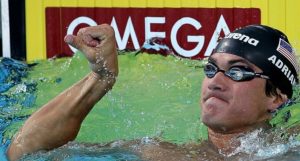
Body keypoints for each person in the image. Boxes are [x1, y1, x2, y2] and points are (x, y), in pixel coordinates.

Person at [6, 24, 299, 160]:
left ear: (276, 97)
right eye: (210, 69)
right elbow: (26, 153)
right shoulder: (160, 153)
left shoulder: (289, 150)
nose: (215, 82)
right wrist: (99, 80)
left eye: (238, 71)